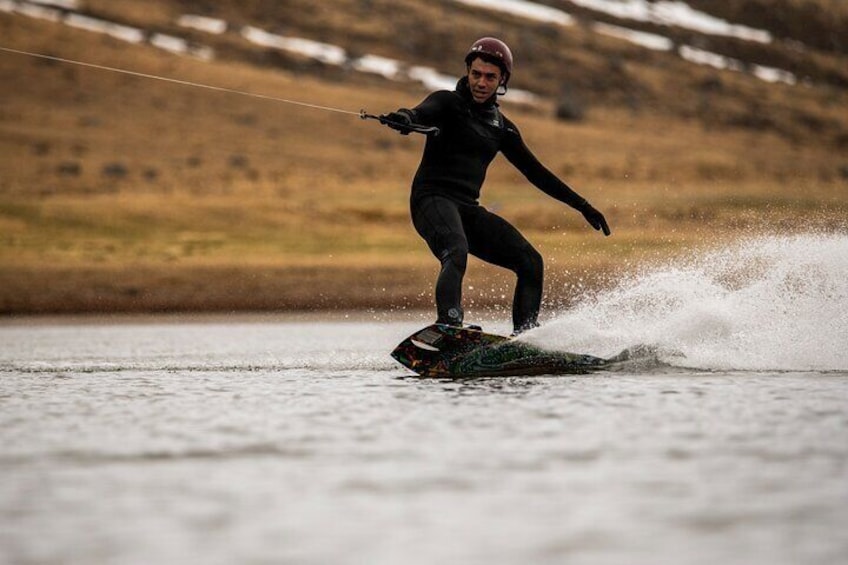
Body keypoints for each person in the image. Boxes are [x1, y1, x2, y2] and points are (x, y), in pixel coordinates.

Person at [381, 37, 610, 335]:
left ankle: (525, 337)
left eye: (490, 77)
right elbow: (418, 113)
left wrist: (583, 206)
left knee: (530, 262)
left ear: (502, 80)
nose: (481, 82)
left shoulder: (503, 128)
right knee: (456, 250)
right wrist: (405, 119)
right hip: (431, 200)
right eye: (476, 74)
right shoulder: (446, 102)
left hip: (466, 208)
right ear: (467, 72)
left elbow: (537, 173)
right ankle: (449, 325)